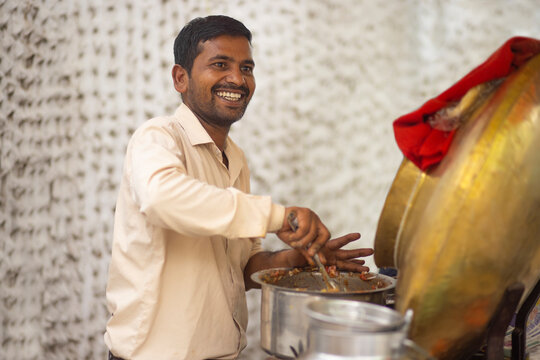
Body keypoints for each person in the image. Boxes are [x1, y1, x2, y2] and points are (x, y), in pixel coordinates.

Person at [104, 15, 374, 360]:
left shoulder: (235, 158)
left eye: (247, 68)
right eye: (220, 65)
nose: (237, 79)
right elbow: (162, 198)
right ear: (180, 78)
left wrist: (295, 259)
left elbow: (239, 269)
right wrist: (280, 217)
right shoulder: (158, 137)